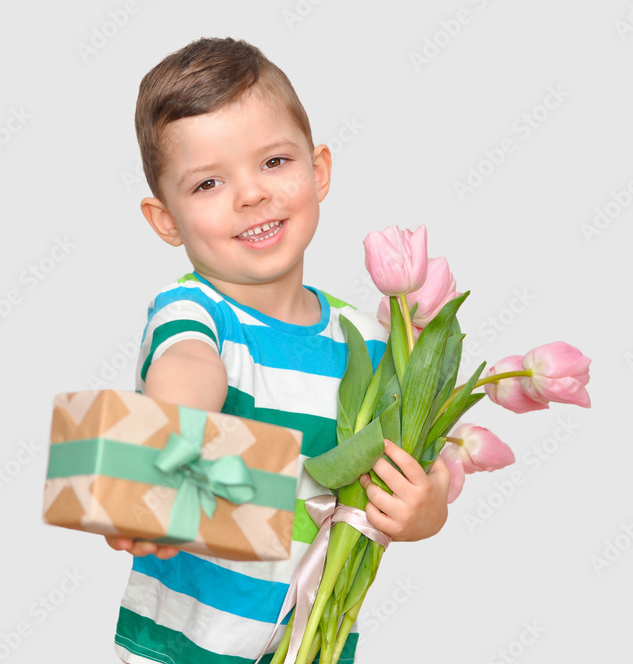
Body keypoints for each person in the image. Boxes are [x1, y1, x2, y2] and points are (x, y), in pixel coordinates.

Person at [105, 37, 451, 664]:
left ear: (318, 171)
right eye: (208, 182)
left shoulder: (368, 340)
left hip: (311, 647)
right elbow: (186, 369)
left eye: (273, 162)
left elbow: (420, 460)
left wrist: (426, 511)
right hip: (182, 652)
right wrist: (166, 449)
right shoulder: (196, 312)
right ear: (166, 220)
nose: (251, 194)